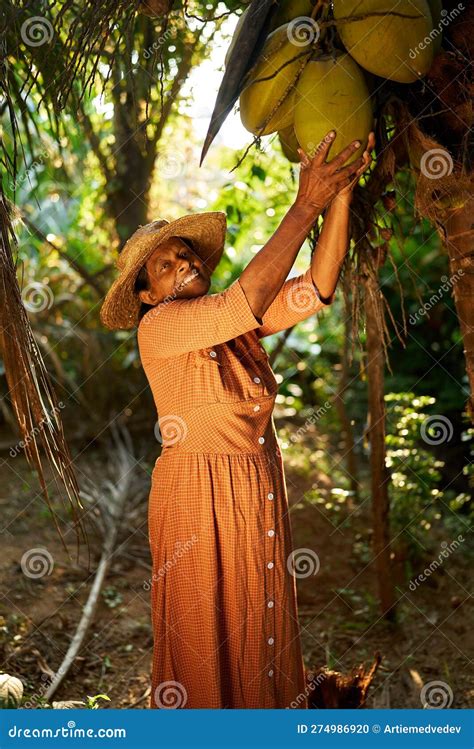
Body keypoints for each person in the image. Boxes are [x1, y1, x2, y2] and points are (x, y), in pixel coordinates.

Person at [100, 130, 375, 709]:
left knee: (260, 619)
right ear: (148, 296)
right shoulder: (161, 327)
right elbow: (246, 297)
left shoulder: (226, 324)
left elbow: (317, 287)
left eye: (187, 254)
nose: (185, 263)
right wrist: (306, 203)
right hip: (198, 494)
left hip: (253, 482)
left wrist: (340, 195)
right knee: (207, 631)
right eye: (166, 265)